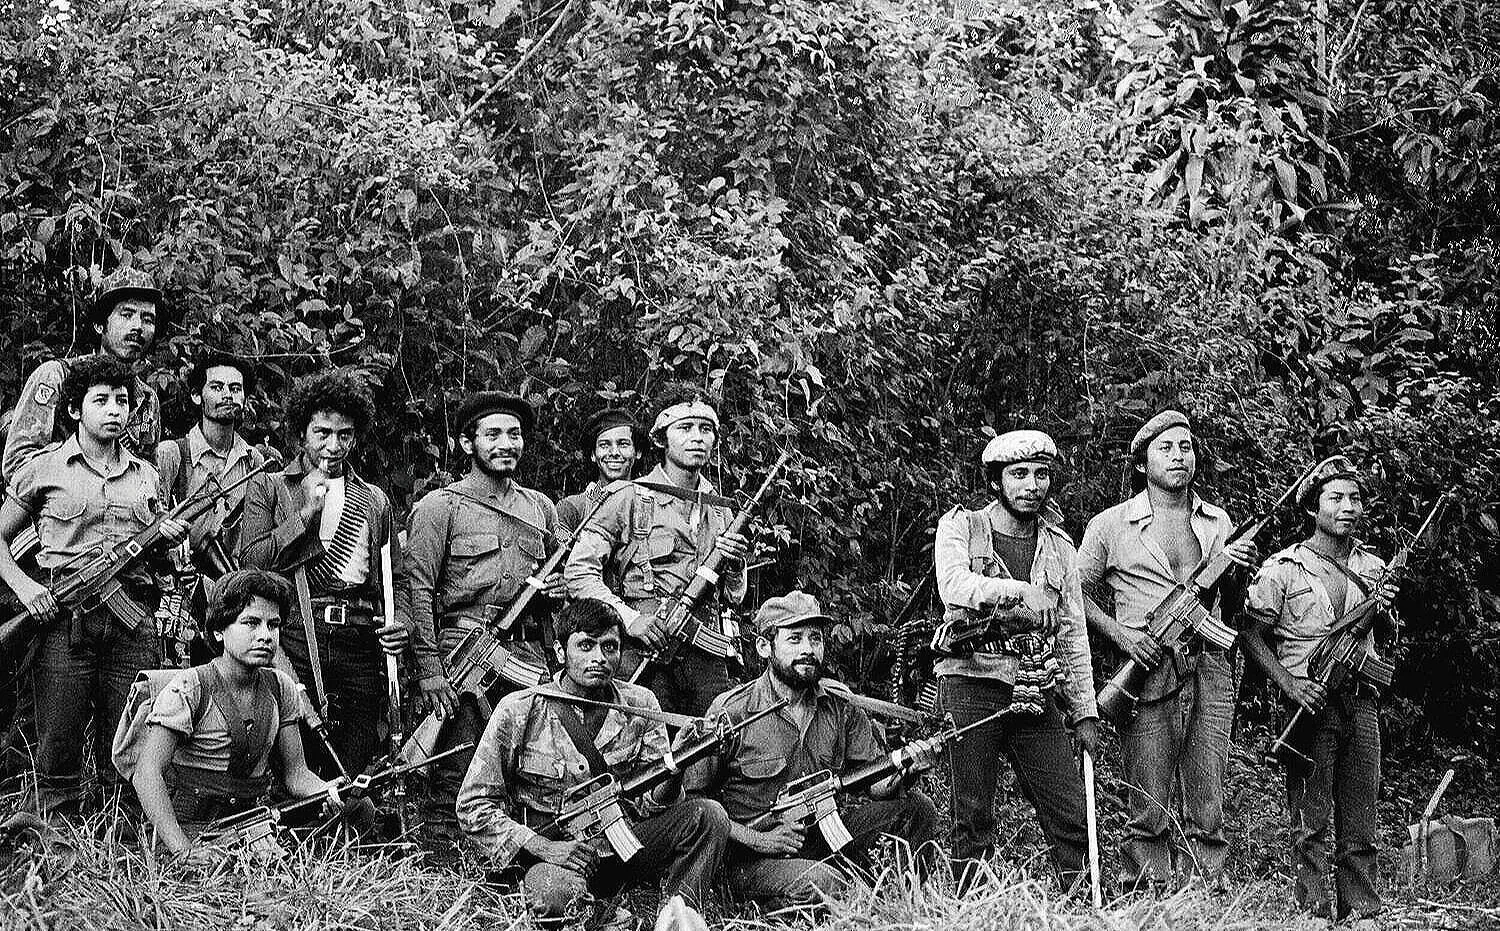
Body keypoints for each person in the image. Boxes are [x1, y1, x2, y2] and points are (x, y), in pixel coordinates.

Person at [457, 598, 730, 923]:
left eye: (609, 647)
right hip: (552, 857)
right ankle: (610, 919)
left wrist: (677, 764)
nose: (598, 658)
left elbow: (650, 806)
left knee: (708, 815)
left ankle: (677, 917)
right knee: (556, 894)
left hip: (623, 847)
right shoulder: (520, 709)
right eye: (585, 646)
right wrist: (543, 847)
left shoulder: (640, 704)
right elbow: (473, 805)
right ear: (561, 652)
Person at [0, 355, 188, 819]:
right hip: (65, 622)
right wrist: (25, 589)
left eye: (121, 401)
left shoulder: (146, 475)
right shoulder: (46, 468)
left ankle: (120, 839)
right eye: (100, 400)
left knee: (127, 743)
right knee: (58, 744)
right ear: (74, 411)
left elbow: (158, 559)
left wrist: (167, 540)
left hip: (131, 625)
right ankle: (55, 841)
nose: (113, 410)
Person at [1077, 410, 1257, 891]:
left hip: (1210, 667)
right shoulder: (1110, 525)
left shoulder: (1217, 521)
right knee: (1149, 798)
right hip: (1148, 666)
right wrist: (1121, 635)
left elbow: (1234, 605)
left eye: (1187, 447)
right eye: (1167, 448)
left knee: (1207, 793)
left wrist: (1234, 569)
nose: (1179, 456)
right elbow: (1074, 594)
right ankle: (1150, 895)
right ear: (1142, 462)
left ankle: (1207, 895)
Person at [685, 591, 938, 909]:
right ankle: (831, 897)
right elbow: (694, 805)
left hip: (827, 838)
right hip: (753, 858)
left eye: (815, 639)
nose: (808, 649)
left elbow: (877, 787)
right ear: (765, 646)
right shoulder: (732, 711)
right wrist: (761, 840)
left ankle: (895, 907)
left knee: (918, 808)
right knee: (822, 883)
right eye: (794, 638)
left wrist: (907, 767)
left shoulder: (841, 705)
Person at [932, 429, 1099, 893]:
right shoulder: (961, 526)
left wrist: (1084, 710)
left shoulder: (1060, 547)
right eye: (1019, 474)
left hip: (1034, 684)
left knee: (1069, 809)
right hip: (971, 681)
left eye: (1041, 475)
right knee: (973, 811)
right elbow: (955, 586)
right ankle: (970, 908)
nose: (1031, 485)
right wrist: (1019, 591)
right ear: (995, 482)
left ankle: (1082, 904)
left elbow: (1072, 631)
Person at [1242, 456, 1397, 927]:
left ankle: (1362, 912)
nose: (1347, 507)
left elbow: (1387, 639)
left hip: (1362, 701)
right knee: (1310, 822)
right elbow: (1250, 634)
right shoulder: (1283, 568)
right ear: (1314, 507)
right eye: (1336, 498)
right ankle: (1311, 914)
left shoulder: (1373, 567)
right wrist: (1290, 684)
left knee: (1361, 818)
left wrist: (1386, 611)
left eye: (1355, 498)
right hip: (1309, 704)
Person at [403, 391, 562, 840]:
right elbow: (418, 591)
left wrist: (556, 590)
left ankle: (501, 864)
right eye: (491, 434)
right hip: (465, 656)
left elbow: (563, 581)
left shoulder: (541, 508)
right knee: (456, 765)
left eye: (514, 434)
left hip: (528, 656)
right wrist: (431, 672)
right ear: (467, 444)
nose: (505, 444)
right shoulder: (440, 508)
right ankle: (438, 866)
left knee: (521, 771)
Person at [239, 369, 408, 778]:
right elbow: (250, 564)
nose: (334, 446)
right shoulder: (270, 487)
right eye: (322, 433)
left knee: (357, 747)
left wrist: (401, 623)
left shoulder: (373, 500)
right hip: (297, 632)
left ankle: (346, 831)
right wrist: (304, 516)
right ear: (303, 432)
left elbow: (394, 578)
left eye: (345, 435)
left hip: (359, 636)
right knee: (297, 740)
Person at [119, 569, 342, 870]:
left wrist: (329, 794)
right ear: (219, 631)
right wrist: (183, 851)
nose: (265, 635)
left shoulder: (281, 687)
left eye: (273, 625)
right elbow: (147, 774)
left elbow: (296, 774)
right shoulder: (190, 688)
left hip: (251, 830)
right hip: (187, 831)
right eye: (250, 622)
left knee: (358, 808)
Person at [565, 388, 749, 715]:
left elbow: (735, 597)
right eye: (685, 428)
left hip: (707, 657)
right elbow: (579, 572)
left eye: (705, 429)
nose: (697, 438)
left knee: (713, 748)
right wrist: (631, 619)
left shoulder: (721, 510)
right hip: (645, 651)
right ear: (662, 438)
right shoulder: (629, 497)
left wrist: (735, 567)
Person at [154, 352, 268, 666]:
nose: (227, 395)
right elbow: (149, 527)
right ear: (196, 396)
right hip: (181, 601)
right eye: (216, 387)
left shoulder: (254, 462)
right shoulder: (173, 454)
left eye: (235, 388)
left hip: (234, 596)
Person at [3, 267, 163, 484]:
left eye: (148, 319)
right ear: (99, 325)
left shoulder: (147, 399)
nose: (138, 326)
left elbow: (149, 478)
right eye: (127, 314)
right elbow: (17, 463)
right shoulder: (57, 376)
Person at [555, 408, 645, 534]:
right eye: (604, 445)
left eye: (623, 444)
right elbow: (560, 552)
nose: (614, 453)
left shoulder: (649, 506)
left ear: (638, 452)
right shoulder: (572, 508)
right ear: (593, 454)